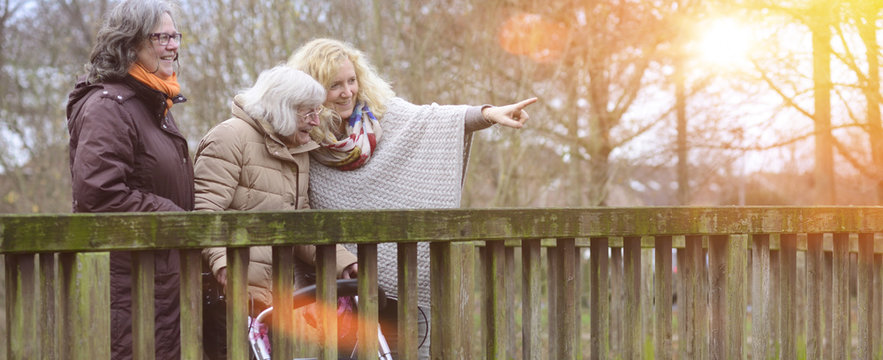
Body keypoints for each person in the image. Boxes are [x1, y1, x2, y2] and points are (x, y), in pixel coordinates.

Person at [288, 38, 536, 358]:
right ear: (314, 91)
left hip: (404, 294)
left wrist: (488, 113)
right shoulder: (302, 140)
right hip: (335, 294)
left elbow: (435, 121)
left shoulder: (383, 115)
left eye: (352, 81)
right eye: (335, 85)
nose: (348, 91)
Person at [193, 66, 359, 359]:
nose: (315, 120)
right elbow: (204, 214)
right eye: (307, 112)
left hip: (276, 303)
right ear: (282, 108)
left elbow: (301, 226)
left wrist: (343, 263)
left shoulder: (298, 150)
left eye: (316, 110)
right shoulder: (229, 138)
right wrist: (223, 266)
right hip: (229, 302)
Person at [66, 1, 190, 359]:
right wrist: (175, 217)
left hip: (160, 278)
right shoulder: (109, 106)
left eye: (174, 36)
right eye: (161, 37)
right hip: (127, 284)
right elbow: (98, 195)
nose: (173, 46)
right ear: (130, 42)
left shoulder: (152, 103)